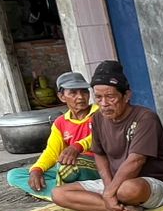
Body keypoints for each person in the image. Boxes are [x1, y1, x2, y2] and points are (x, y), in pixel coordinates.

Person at [50, 61, 163, 211]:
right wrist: (108, 186)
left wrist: (110, 192)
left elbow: (136, 160)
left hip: (151, 183)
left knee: (127, 190)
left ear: (126, 96)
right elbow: (99, 154)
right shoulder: (97, 118)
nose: (104, 104)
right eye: (98, 97)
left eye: (110, 97)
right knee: (59, 194)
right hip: (116, 182)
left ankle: (115, 201)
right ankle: (120, 207)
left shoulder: (145, 118)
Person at [7, 71, 100, 200]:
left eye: (84, 92)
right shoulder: (60, 122)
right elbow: (52, 152)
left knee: (68, 168)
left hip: (95, 165)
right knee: (14, 175)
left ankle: (60, 194)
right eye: (73, 93)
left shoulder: (100, 113)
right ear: (62, 97)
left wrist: (77, 146)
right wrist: (37, 169)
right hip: (67, 168)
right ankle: (66, 194)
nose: (80, 97)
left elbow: (100, 137)